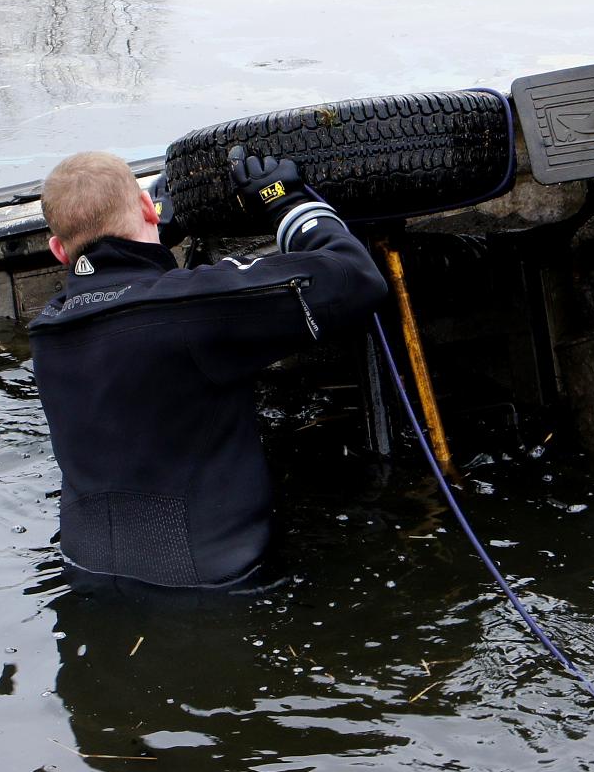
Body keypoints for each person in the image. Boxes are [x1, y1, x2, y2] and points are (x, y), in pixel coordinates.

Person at [26, 146, 387, 598]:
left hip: (87, 576)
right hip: (217, 583)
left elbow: (122, 298)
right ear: (144, 209)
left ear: (59, 250)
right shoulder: (190, 309)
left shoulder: (48, 330)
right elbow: (354, 277)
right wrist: (289, 204)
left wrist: (153, 236)